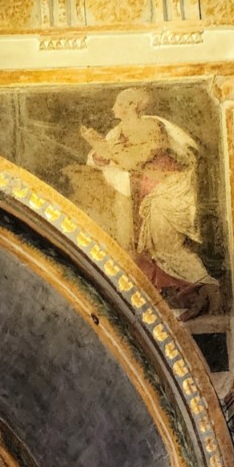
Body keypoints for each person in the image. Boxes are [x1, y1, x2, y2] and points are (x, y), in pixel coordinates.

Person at [80, 87, 219, 320]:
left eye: (119, 103)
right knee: (141, 250)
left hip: (163, 193)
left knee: (168, 249)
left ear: (133, 105)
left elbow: (138, 158)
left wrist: (108, 149)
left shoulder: (153, 127)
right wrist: (101, 150)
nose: (114, 108)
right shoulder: (117, 132)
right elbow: (98, 159)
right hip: (139, 196)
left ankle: (210, 293)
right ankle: (171, 299)